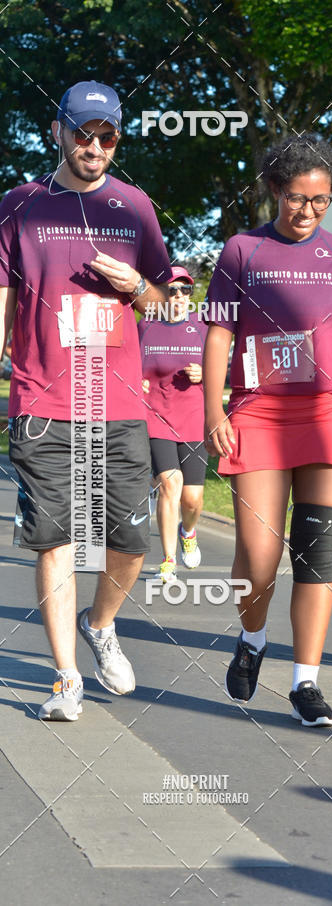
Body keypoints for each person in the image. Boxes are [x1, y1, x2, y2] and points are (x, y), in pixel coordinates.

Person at [204, 134, 332, 727]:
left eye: (319, 202)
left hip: (326, 414)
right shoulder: (241, 251)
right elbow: (218, 333)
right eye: (297, 199)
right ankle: (254, 637)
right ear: (273, 190)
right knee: (260, 558)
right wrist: (214, 411)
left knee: (315, 554)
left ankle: (306, 683)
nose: (308, 212)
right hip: (259, 414)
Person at [0, 80, 172, 720]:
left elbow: (169, 299)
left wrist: (137, 288)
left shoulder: (135, 208)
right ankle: (65, 679)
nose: (94, 146)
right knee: (57, 539)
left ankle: (100, 624)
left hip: (120, 399)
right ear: (58, 132)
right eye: (83, 133)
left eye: (107, 136)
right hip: (44, 398)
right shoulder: (18, 206)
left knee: (130, 543)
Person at [139, 266, 207, 582]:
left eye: (185, 290)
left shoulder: (204, 328)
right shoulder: (146, 327)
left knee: (192, 499)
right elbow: (125, 364)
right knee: (170, 483)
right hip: (155, 416)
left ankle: (188, 531)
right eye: (172, 289)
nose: (179, 295)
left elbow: (224, 369)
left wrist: (205, 373)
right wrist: (134, 383)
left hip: (194, 418)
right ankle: (168, 562)